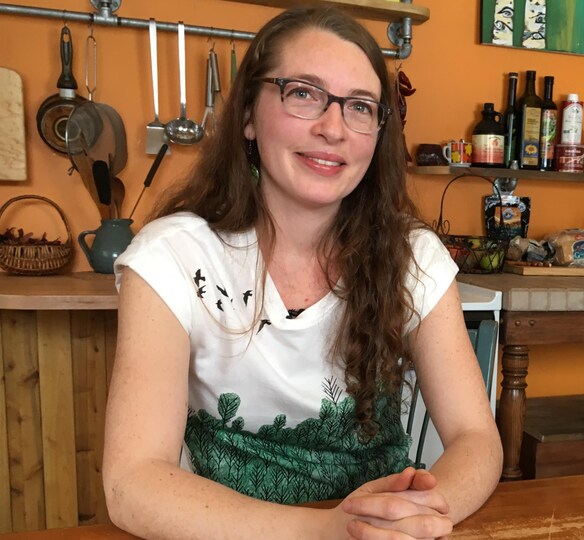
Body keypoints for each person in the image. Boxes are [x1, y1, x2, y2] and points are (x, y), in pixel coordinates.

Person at [102, 6, 503, 539]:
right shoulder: (170, 258)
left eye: (360, 106)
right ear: (248, 114)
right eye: (303, 93)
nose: (332, 127)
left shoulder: (414, 256)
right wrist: (326, 531)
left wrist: (412, 517)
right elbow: (132, 484)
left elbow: (477, 438)